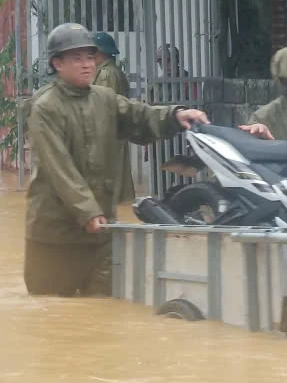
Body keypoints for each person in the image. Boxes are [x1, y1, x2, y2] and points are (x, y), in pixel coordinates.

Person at [24, 23, 210, 297]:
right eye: (77, 58)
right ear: (57, 63)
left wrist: (175, 115)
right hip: (55, 236)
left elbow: (140, 116)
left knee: (103, 307)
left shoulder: (105, 99)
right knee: (52, 308)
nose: (87, 64)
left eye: (90, 57)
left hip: (101, 232)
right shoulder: (45, 108)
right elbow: (59, 168)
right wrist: (88, 211)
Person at [91, 31, 135, 202]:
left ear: (101, 52)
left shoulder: (106, 74)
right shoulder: (112, 71)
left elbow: (104, 106)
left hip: (108, 132)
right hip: (115, 130)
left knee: (110, 175)